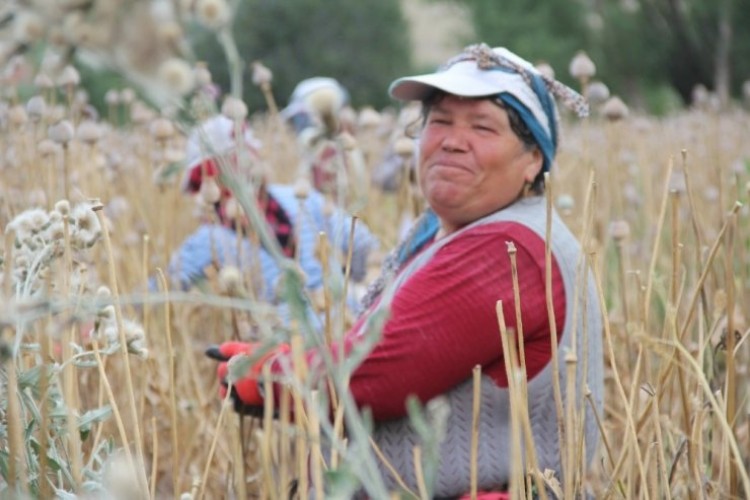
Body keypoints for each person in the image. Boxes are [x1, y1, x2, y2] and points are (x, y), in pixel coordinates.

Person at [210, 43, 603, 497]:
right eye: (439, 121)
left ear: (534, 158)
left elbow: (377, 370)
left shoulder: (506, 249)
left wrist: (265, 377)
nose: (453, 140)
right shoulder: (471, 233)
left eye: (482, 126)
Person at [163, 114, 378, 327]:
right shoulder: (300, 198)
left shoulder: (210, 237)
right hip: (320, 335)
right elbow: (361, 242)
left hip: (317, 336)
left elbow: (165, 287)